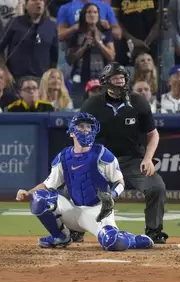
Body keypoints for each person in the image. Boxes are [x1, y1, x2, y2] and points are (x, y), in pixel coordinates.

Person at [15, 112, 154, 251]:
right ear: (72, 132)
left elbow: (120, 182)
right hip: (72, 209)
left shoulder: (102, 154)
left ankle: (131, 239)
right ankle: (60, 236)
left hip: (98, 211)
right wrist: (28, 193)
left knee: (113, 242)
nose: (86, 130)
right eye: (81, 126)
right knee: (39, 199)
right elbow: (47, 185)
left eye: (89, 127)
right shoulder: (64, 157)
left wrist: (112, 195)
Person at [79, 62, 168, 244]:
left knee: (156, 187)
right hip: (101, 160)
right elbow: (80, 134)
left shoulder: (138, 101)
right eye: (115, 79)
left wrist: (148, 158)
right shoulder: (92, 104)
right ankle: (75, 229)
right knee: (76, 186)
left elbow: (153, 134)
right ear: (106, 82)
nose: (119, 82)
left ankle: (154, 230)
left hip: (132, 159)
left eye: (122, 78)